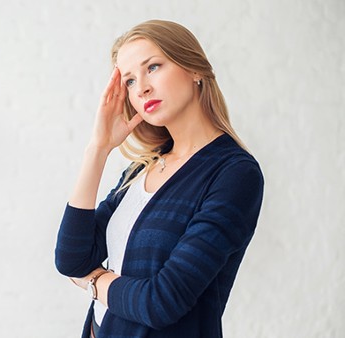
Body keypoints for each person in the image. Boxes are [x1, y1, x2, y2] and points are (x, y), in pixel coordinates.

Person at [55, 20, 264, 338]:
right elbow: (72, 258)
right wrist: (98, 149)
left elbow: (162, 302)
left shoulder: (234, 174)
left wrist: (94, 282)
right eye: (128, 81)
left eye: (153, 67)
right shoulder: (144, 167)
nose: (141, 88)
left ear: (195, 69)